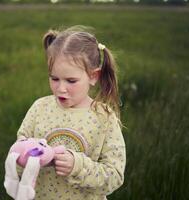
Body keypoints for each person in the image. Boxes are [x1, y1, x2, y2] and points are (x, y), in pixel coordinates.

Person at [16, 25, 126, 200]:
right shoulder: (40, 108)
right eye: (54, 79)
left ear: (93, 76)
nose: (61, 88)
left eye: (71, 80)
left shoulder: (104, 118)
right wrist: (26, 156)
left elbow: (114, 176)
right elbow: (19, 154)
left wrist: (77, 166)